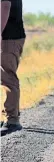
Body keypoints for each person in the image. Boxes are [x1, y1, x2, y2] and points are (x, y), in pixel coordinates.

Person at [1, 0, 25, 136]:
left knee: (8, 78)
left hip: (8, 38)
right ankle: (7, 117)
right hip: (7, 37)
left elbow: (5, 5)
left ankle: (12, 121)